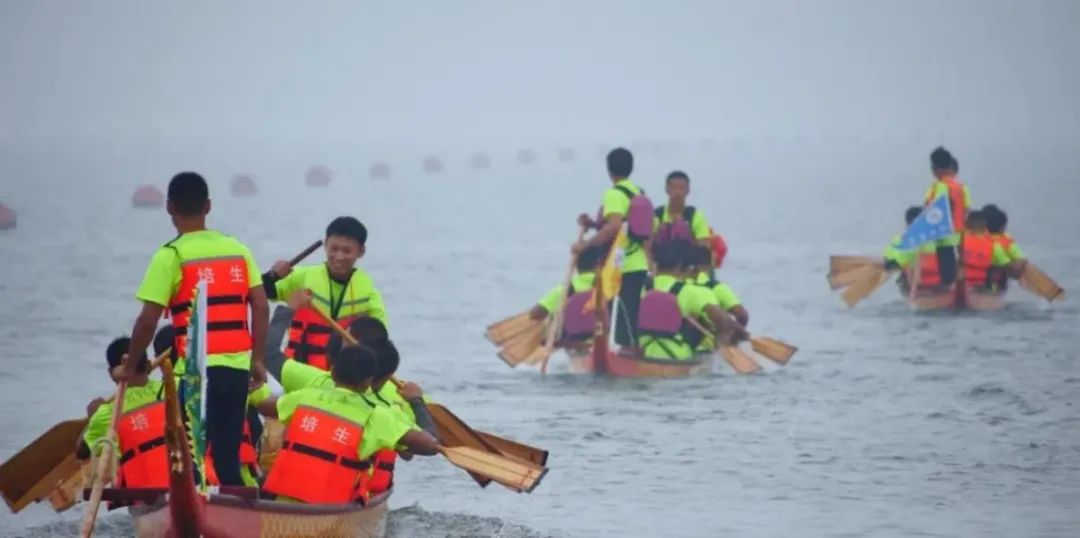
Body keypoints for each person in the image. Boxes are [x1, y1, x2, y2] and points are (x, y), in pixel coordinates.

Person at [121, 172, 269, 487]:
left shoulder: (171, 256)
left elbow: (148, 320)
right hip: (237, 368)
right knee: (228, 455)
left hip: (198, 371)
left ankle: (200, 519)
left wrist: (134, 362)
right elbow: (260, 305)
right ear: (208, 206)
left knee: (193, 456)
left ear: (169, 207)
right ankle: (234, 516)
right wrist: (258, 359)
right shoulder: (237, 249)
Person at [257, 346, 438, 505]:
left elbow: (263, 405)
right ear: (367, 382)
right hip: (332, 509)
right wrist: (416, 401)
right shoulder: (376, 415)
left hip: (283, 502)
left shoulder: (306, 397)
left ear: (333, 372)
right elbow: (432, 444)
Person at [263, 217, 387, 371]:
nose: (339, 257)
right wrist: (272, 276)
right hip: (300, 373)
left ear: (361, 251)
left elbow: (380, 343)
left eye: (347, 251)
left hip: (344, 378)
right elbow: (261, 293)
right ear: (326, 244)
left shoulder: (369, 295)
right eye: (334, 249)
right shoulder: (301, 278)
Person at [573, 147, 651, 348]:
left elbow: (614, 226)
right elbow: (626, 225)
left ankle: (615, 355)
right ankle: (627, 351)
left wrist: (585, 245)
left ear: (609, 170)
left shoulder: (613, 194)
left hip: (619, 266)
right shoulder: (638, 192)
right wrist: (592, 224)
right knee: (628, 315)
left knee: (611, 314)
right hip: (638, 263)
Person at [78, 337, 168, 490]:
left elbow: (81, 452)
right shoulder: (172, 390)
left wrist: (93, 418)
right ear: (147, 365)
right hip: (188, 482)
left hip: (143, 494)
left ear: (111, 373)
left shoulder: (107, 413)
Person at [637, 241, 746, 361]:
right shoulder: (691, 291)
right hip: (679, 356)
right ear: (680, 266)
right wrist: (721, 345)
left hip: (644, 352)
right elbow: (723, 320)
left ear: (655, 264)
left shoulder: (642, 288)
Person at [922, 147, 972, 286]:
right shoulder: (962, 187)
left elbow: (931, 211)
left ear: (935, 169)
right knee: (958, 263)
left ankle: (946, 288)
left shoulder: (935, 188)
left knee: (945, 270)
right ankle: (960, 283)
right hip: (959, 233)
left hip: (942, 235)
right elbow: (967, 210)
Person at [528, 244, 605, 321]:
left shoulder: (565, 289)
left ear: (576, 264)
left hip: (575, 330)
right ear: (599, 263)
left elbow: (535, 314)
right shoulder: (606, 284)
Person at [959, 210, 1025, 291]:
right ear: (985, 228)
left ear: (966, 226)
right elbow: (1006, 264)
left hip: (963, 282)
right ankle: (994, 290)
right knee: (997, 271)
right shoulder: (993, 245)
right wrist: (1017, 273)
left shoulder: (960, 241)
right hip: (982, 283)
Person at [689, 245, 749, 328]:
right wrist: (733, 337)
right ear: (709, 265)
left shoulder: (679, 285)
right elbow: (742, 315)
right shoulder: (717, 288)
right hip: (712, 338)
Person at [652, 171, 713, 246]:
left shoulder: (696, 216)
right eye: (674, 188)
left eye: (682, 188)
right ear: (667, 189)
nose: (678, 193)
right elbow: (647, 248)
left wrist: (688, 236)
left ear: (688, 190)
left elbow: (704, 250)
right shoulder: (656, 215)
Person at [982, 204, 1025, 290]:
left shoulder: (976, 236)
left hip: (976, 276)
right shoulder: (1006, 240)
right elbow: (1020, 259)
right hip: (999, 275)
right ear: (1002, 227)